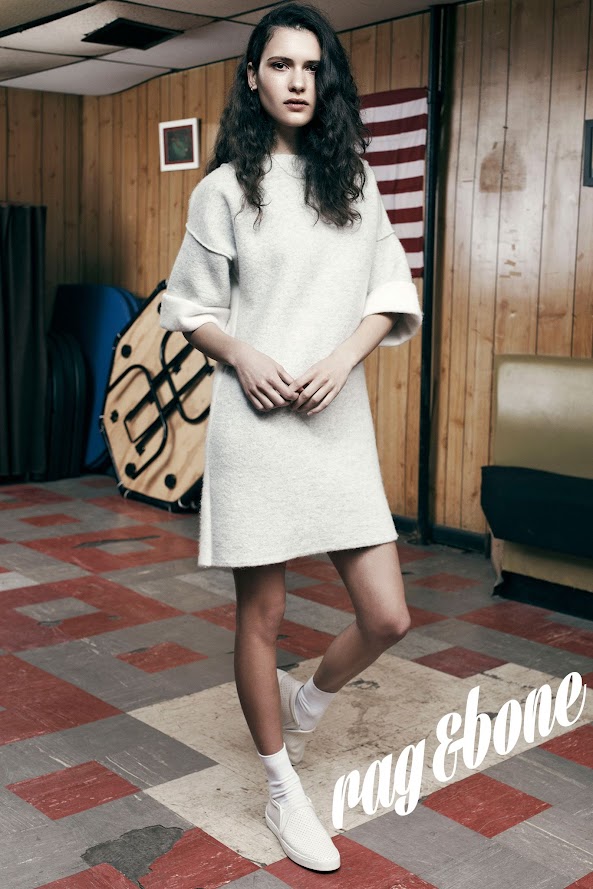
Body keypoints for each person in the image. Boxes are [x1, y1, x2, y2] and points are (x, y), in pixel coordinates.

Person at [159, 1, 422, 873]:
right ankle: (280, 787)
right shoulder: (222, 189)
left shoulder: (353, 181)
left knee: (386, 614)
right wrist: (242, 352)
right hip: (257, 421)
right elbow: (187, 306)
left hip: (336, 421)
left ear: (326, 80)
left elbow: (388, 291)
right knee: (262, 614)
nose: (298, 81)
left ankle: (304, 707)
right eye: (280, 65)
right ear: (253, 77)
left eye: (312, 67)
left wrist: (345, 358)